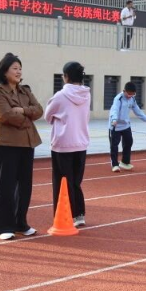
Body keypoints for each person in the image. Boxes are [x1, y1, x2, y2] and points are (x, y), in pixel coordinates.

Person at [0, 53, 43, 240]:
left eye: (20, 68)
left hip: (27, 144)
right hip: (6, 144)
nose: (19, 71)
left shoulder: (25, 91)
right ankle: (2, 226)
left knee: (24, 186)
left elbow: (38, 110)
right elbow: (5, 115)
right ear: (4, 71)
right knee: (5, 186)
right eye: (15, 68)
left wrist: (24, 111)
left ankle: (20, 222)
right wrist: (27, 118)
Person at [44, 61, 91, 228]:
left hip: (62, 144)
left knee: (61, 181)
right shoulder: (86, 94)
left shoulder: (60, 96)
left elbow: (47, 116)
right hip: (81, 143)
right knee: (76, 181)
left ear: (66, 77)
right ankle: (79, 214)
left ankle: (63, 214)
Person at [108, 82, 146, 171]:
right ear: (124, 91)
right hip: (115, 125)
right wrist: (114, 120)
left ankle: (125, 162)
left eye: (132, 94)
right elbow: (114, 110)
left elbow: (138, 111)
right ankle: (114, 164)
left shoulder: (132, 99)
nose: (130, 95)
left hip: (125, 125)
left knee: (129, 142)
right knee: (114, 145)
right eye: (129, 94)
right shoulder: (118, 99)